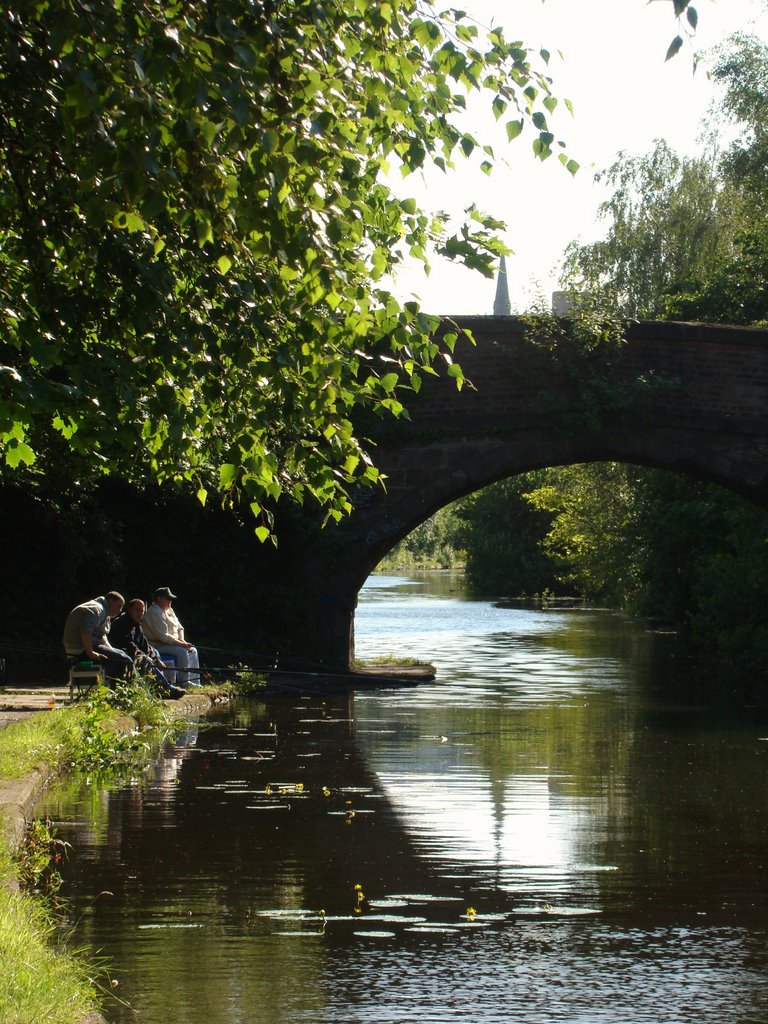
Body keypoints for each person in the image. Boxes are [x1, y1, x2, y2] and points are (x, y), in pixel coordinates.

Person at [109, 598, 186, 700]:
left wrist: (156, 659)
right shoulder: (123, 623)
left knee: (155, 652)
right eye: (137, 610)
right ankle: (166, 689)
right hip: (119, 654)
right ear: (130, 610)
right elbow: (129, 645)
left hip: (131, 651)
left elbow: (144, 644)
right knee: (145, 660)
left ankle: (158, 688)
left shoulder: (136, 623)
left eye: (142, 611)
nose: (140, 613)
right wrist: (145, 657)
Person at [62, 591, 133, 683]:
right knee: (124, 661)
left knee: (123, 654)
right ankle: (123, 689)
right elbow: (86, 630)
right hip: (80, 650)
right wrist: (91, 652)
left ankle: (129, 687)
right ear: (111, 601)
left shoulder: (104, 612)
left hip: (90, 647)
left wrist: (112, 650)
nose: (120, 611)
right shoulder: (97, 609)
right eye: (119, 606)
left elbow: (102, 636)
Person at [141, 587, 200, 687]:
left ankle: (194, 681)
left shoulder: (169, 610)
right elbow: (164, 637)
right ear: (159, 599)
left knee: (193, 650)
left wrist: (182, 640)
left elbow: (180, 627)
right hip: (157, 645)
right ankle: (184, 682)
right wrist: (182, 644)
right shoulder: (155, 612)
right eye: (168, 598)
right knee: (182, 652)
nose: (170, 601)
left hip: (173, 643)